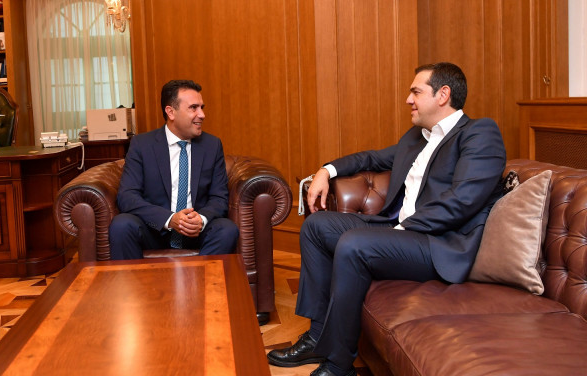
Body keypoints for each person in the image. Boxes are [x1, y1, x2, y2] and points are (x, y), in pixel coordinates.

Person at [267, 62, 506, 376]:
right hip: (400, 233)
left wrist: (401, 229)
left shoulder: (479, 133)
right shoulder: (418, 138)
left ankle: (338, 366)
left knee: (355, 244)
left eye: (416, 92)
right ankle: (316, 337)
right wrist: (326, 170)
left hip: (438, 244)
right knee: (316, 226)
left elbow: (462, 201)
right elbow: (371, 158)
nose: (408, 99)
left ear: (443, 95)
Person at [109, 79, 239, 259]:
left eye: (202, 107)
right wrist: (169, 219)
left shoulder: (212, 145)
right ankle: (136, 279)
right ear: (170, 112)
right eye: (193, 108)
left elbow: (219, 197)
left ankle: (199, 276)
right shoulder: (142, 145)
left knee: (227, 229)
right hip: (155, 230)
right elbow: (127, 196)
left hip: (196, 233)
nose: (202, 115)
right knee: (121, 225)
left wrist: (201, 219)